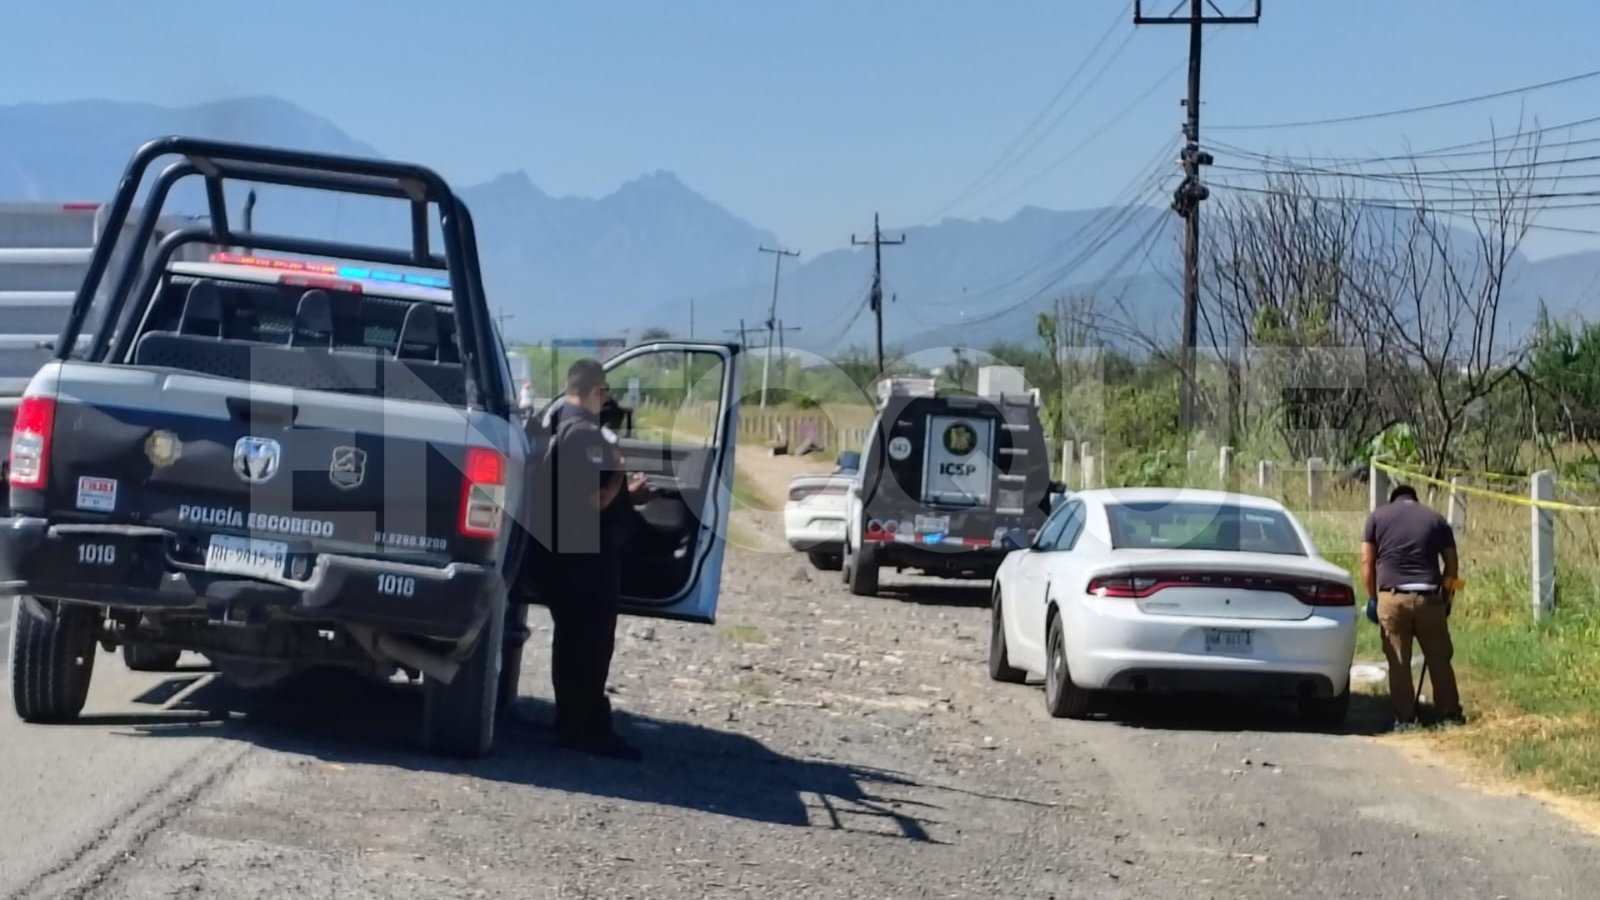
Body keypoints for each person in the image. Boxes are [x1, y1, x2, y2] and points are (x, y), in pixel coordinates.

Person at [530, 358, 649, 758]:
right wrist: (619, 472)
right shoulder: (584, 437)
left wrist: (625, 493)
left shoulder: (553, 425)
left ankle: (570, 723)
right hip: (585, 560)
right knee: (592, 645)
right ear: (597, 390)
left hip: (561, 555)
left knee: (571, 643)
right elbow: (593, 501)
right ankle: (589, 729)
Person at [1360, 483, 1464, 731]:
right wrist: (1448, 596)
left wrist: (1374, 597)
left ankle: (1406, 718)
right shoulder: (1437, 519)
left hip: (1392, 597)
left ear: (1393, 499)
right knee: (1439, 658)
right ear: (1415, 500)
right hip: (1430, 597)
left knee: (1398, 660)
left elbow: (1367, 561)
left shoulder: (1377, 517)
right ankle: (1449, 713)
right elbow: (1452, 565)